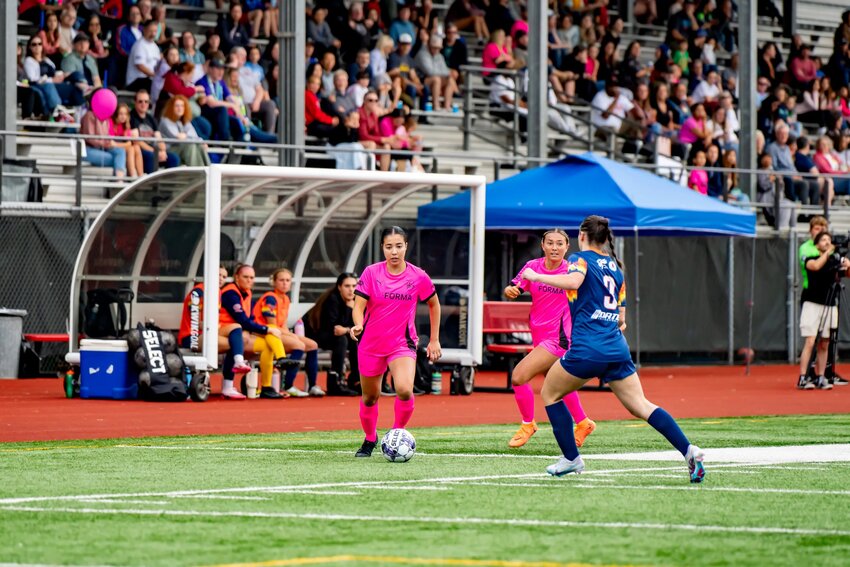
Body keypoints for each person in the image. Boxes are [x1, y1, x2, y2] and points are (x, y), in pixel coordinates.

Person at [520, 215, 706, 483]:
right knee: (641, 405)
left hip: (587, 348)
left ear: (582, 236)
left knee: (550, 392)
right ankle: (689, 451)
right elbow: (621, 318)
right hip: (616, 348)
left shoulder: (579, 259)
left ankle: (571, 459)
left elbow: (573, 283)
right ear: (605, 238)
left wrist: (535, 275)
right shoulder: (616, 268)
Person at [349, 226, 442, 457]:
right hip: (370, 344)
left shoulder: (418, 275)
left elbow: (434, 305)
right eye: (389, 247)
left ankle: (396, 434)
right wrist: (358, 324)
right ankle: (370, 439)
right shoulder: (371, 273)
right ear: (382, 248)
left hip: (402, 344)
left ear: (406, 247)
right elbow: (358, 306)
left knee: (404, 390)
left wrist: (434, 340)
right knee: (370, 397)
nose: (394, 251)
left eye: (398, 246)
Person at [502, 230, 596, 449]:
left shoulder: (572, 271)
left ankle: (528, 424)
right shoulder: (532, 266)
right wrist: (511, 291)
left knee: (518, 376)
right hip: (539, 333)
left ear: (567, 247)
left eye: (560, 243)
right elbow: (514, 287)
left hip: (560, 337)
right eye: (550, 243)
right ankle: (583, 422)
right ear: (542, 245)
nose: (555, 247)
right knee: (557, 382)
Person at [218, 264, 295, 399]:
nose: (249, 280)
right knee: (273, 333)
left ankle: (266, 386)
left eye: (252, 277)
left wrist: (264, 330)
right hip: (226, 331)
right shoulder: (231, 293)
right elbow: (242, 320)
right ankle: (283, 364)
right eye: (245, 277)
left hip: (241, 332)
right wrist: (265, 329)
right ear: (237, 277)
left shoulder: (247, 293)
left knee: (267, 345)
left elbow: (249, 319)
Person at [253, 268, 324, 399]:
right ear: (274, 282)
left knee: (313, 345)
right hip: (265, 334)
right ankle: (288, 385)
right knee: (299, 345)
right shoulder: (270, 298)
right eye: (281, 280)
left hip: (279, 333)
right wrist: (292, 336)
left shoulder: (285, 298)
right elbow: (272, 324)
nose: (285, 283)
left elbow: (283, 324)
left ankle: (312, 386)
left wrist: (291, 334)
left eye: (287, 280)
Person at [797, 231, 850, 390]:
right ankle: (803, 376)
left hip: (829, 305)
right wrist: (829, 252)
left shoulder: (833, 262)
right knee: (810, 341)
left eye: (829, 240)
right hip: (812, 304)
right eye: (823, 240)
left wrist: (847, 263)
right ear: (817, 244)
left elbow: (846, 273)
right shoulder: (810, 258)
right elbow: (815, 266)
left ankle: (821, 377)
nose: (827, 242)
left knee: (825, 343)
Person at [303, 272, 361, 396]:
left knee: (355, 339)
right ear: (339, 287)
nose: (351, 290)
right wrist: (349, 310)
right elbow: (334, 328)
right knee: (342, 340)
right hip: (313, 334)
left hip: (334, 334)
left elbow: (359, 326)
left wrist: (346, 329)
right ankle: (335, 382)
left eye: (353, 286)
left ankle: (355, 379)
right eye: (347, 286)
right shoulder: (332, 299)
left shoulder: (356, 301)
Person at [159, 95, 210, 167]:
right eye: (177, 106)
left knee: (200, 145)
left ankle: (208, 170)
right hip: (169, 150)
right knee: (190, 145)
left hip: (182, 147)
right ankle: (197, 172)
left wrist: (200, 141)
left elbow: (194, 136)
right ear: (171, 108)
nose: (180, 108)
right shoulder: (166, 121)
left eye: (182, 106)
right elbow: (177, 138)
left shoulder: (184, 121)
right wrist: (188, 137)